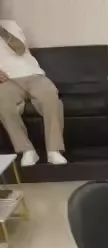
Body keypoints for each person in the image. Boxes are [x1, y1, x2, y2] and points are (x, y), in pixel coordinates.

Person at [0, 20, 66, 167]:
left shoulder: (10, 25)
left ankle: (54, 150)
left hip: (33, 75)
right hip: (7, 80)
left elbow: (20, 49)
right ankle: (27, 150)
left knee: (51, 99)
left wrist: (2, 31)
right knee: (3, 105)